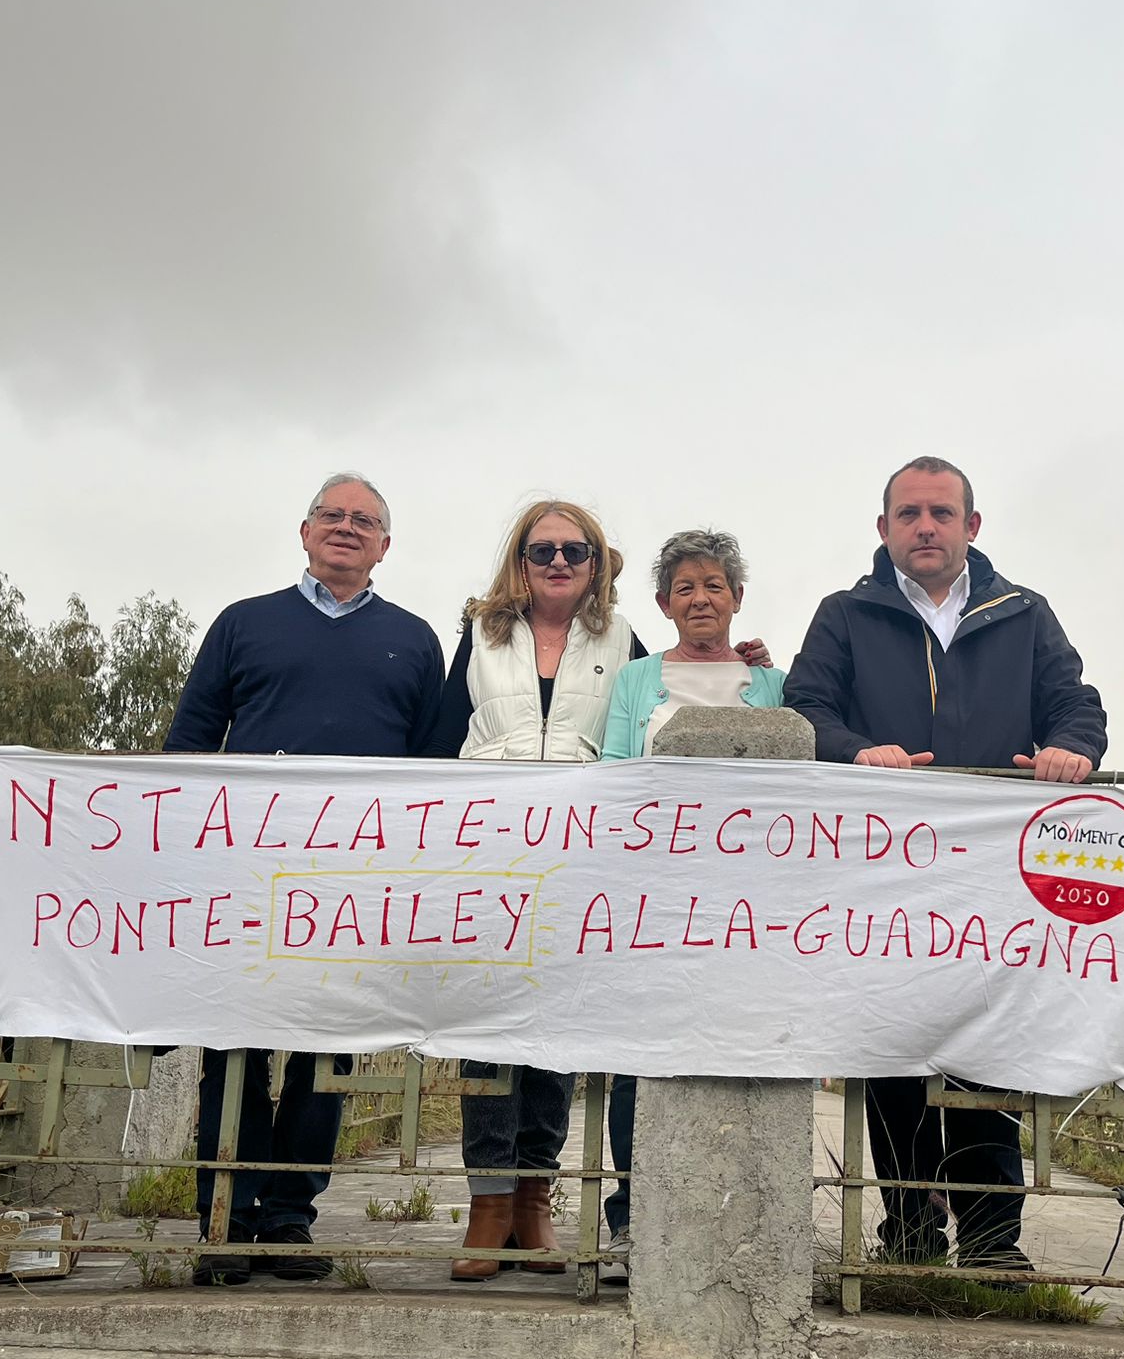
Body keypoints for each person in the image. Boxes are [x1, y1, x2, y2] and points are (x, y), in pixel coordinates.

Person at [429, 500, 769, 1280]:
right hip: (491, 848)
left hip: (581, 857)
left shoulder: (620, 640)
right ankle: (487, 1202)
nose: (557, 562)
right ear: (520, 559)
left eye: (574, 551)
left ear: (596, 564)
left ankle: (533, 1201)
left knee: (553, 1027)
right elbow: (439, 739)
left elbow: (676, 691)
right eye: (542, 550)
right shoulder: (479, 637)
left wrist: (751, 662)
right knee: (488, 1023)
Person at [783, 455, 1107, 1270]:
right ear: (884, 528)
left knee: (987, 1045)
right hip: (883, 873)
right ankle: (911, 1230)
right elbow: (806, 709)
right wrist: (859, 752)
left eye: (940, 512)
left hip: (991, 873)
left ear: (972, 526)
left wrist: (1070, 747)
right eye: (908, 514)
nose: (925, 527)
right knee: (892, 1046)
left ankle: (994, 1238)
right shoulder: (844, 614)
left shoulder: (1024, 613)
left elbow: (1075, 700)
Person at [164, 471, 444, 1285]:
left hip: (358, 883)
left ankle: (290, 1218)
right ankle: (224, 1219)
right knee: (236, 1050)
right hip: (244, 875)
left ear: (385, 546)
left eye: (365, 521)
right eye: (333, 515)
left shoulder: (415, 639)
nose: (347, 528)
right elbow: (189, 747)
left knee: (327, 1056)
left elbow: (432, 767)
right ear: (305, 530)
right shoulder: (244, 624)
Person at [596, 528, 787, 1284]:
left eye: (714, 585)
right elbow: (614, 769)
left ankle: (739, 1221)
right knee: (636, 1057)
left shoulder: (771, 683)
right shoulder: (638, 679)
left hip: (746, 906)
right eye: (685, 587)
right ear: (663, 604)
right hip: (656, 895)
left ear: (737, 598)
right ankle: (627, 1220)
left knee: (737, 1052)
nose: (701, 598)